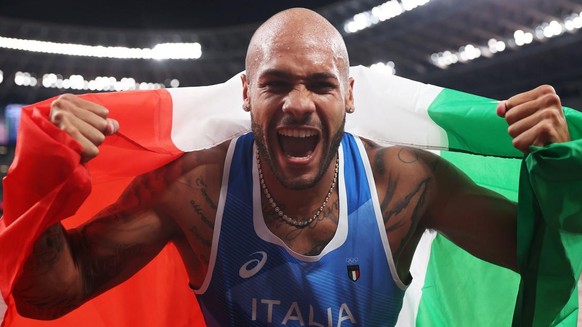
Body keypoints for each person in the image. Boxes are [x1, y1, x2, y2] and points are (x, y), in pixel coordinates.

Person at [10, 7, 571, 326]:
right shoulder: (194, 190)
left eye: (321, 84)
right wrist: (44, 177)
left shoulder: (405, 182)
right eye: (276, 83)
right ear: (247, 95)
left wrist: (559, 168)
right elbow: (49, 293)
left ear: (348, 96)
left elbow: (554, 265)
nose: (299, 103)